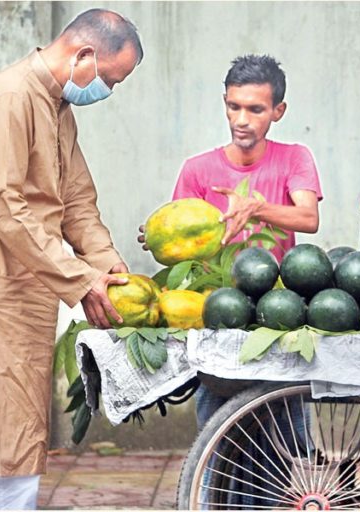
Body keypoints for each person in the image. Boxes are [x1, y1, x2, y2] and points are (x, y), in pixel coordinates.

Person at [0, 9, 143, 510]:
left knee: (16, 446)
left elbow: (77, 202)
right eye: (110, 79)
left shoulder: (57, 106)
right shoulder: (10, 99)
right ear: (84, 56)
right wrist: (81, 280)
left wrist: (109, 269)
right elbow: (5, 207)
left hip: (28, 296)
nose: (108, 92)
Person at [140, 54, 323, 427]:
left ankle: (291, 481)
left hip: (280, 310)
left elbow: (308, 218)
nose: (241, 120)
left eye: (255, 109)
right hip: (217, 313)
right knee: (218, 429)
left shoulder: (294, 158)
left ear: (278, 111)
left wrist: (256, 209)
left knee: (288, 433)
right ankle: (211, 484)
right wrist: (160, 241)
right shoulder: (197, 170)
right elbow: (178, 243)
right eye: (233, 106)